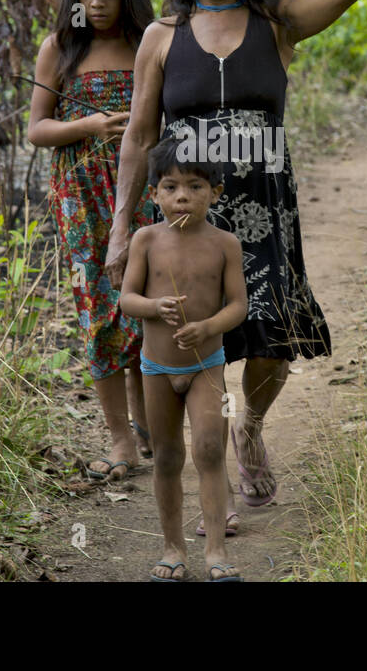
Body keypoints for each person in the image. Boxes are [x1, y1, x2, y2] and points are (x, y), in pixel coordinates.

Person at [105, 0, 367, 509]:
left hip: (265, 207)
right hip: (188, 217)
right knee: (200, 346)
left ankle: (250, 424)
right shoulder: (162, 36)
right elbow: (138, 135)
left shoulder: (277, 23)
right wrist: (119, 228)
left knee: (272, 335)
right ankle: (214, 497)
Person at [28, 0, 158, 482]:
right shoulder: (60, 48)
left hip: (146, 193)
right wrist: (88, 126)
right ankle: (120, 441)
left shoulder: (148, 42)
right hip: (82, 201)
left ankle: (151, 423)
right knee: (100, 312)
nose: (99, 3)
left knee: (147, 306)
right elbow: (37, 129)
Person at [119, 137, 248, 581]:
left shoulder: (224, 243)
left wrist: (209, 326)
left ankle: (215, 551)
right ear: (154, 194)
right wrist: (155, 308)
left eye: (195, 186)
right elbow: (126, 299)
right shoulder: (146, 240)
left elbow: (238, 306)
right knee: (168, 456)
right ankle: (173, 548)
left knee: (210, 450)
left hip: (207, 365)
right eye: (170, 187)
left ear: (216, 192)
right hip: (156, 367)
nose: (181, 197)